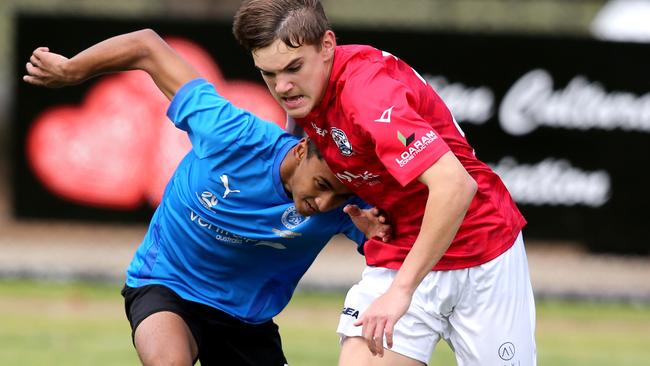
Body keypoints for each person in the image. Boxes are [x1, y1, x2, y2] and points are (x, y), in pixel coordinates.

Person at [23, 29, 393, 366]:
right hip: (167, 284)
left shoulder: (351, 205)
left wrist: (380, 237)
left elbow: (401, 247)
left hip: (247, 321)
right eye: (323, 186)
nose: (325, 205)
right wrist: (72, 70)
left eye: (339, 195)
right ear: (301, 151)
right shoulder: (232, 134)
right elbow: (146, 46)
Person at [232, 1, 536, 365]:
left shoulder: (367, 94)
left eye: (293, 67)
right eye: (268, 74)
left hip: (480, 251)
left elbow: (456, 186)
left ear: (327, 45)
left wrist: (401, 291)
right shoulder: (305, 91)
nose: (282, 86)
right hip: (398, 249)